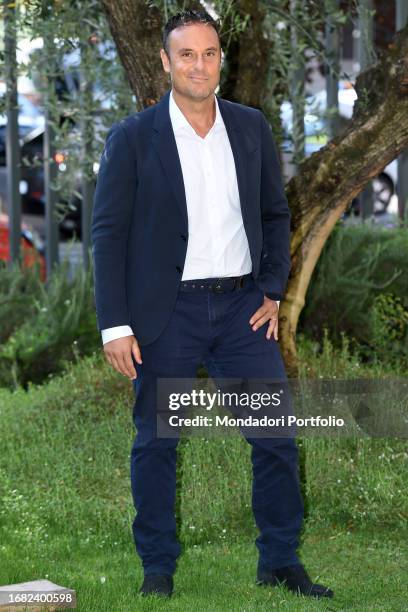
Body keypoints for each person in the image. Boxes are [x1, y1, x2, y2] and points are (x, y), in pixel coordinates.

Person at [91, 9, 334, 601]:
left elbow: (276, 216)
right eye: (187, 55)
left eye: (209, 53)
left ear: (220, 58)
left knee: (275, 438)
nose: (199, 65)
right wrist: (114, 325)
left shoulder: (250, 128)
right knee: (157, 443)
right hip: (164, 314)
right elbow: (107, 235)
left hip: (241, 311)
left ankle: (279, 560)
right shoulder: (132, 137)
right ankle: (158, 566)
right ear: (166, 62)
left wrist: (273, 289)